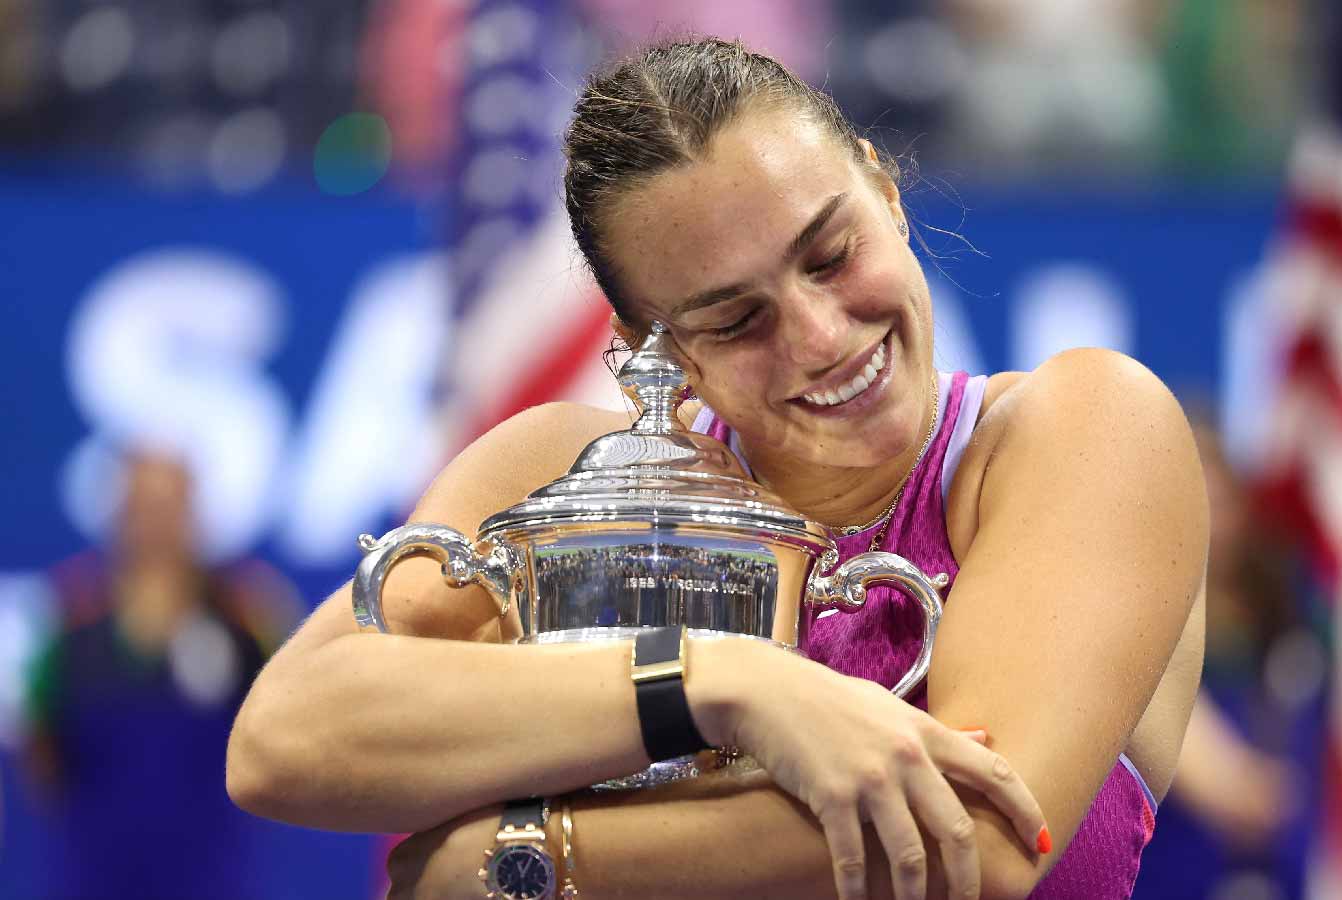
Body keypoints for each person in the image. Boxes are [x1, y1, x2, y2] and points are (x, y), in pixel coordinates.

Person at [227, 37, 1209, 900]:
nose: (821, 338)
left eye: (829, 254)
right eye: (737, 321)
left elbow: (978, 841)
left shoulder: (1084, 425)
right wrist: (713, 680)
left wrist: (529, 858)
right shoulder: (556, 470)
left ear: (886, 190)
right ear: (653, 348)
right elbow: (280, 745)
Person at [23, 449, 296, 900]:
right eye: (145, 505)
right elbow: (42, 753)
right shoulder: (70, 619)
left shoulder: (246, 615)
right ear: (120, 512)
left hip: (212, 878)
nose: (157, 523)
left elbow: (282, 728)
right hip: (91, 877)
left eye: (170, 505)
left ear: (193, 513)